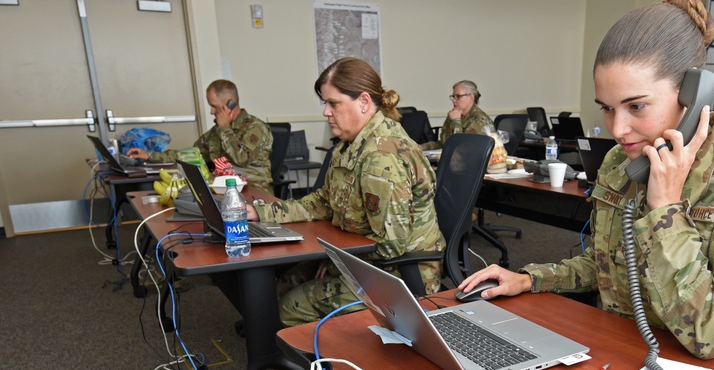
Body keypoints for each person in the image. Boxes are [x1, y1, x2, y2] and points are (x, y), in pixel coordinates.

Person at [458, 0, 714, 365]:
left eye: (636, 106)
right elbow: (605, 268)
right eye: (607, 108)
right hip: (621, 350)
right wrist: (529, 279)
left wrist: (666, 211)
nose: (619, 130)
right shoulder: (622, 161)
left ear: (693, 94)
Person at [246, 57, 444, 327]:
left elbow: (390, 245)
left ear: (363, 102)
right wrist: (260, 212)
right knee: (282, 284)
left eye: (333, 103)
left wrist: (339, 260)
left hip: (397, 275)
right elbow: (322, 202)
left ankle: (333, 369)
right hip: (364, 259)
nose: (326, 112)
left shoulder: (381, 158)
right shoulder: (348, 145)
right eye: (325, 104)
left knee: (290, 307)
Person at [127, 79, 274, 191]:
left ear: (230, 104)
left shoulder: (256, 128)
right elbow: (192, 154)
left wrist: (224, 128)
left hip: (253, 192)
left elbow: (242, 158)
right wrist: (150, 156)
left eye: (214, 106)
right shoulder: (217, 132)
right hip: (223, 189)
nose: (211, 111)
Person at [421, 80, 492, 150]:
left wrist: (456, 121)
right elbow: (445, 143)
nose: (454, 100)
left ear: (471, 97)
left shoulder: (479, 120)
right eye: (453, 96)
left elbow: (461, 149)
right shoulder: (455, 114)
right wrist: (423, 147)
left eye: (458, 96)